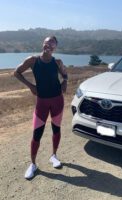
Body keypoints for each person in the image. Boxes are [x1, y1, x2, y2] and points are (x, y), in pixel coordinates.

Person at [14, 36, 68, 179]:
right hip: (42, 102)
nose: (48, 45)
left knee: (56, 130)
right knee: (37, 134)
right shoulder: (33, 60)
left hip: (57, 101)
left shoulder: (58, 62)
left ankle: (54, 156)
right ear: (43, 44)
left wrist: (65, 82)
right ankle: (33, 164)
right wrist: (31, 86)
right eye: (46, 43)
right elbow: (16, 72)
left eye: (52, 44)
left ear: (55, 47)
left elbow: (65, 74)